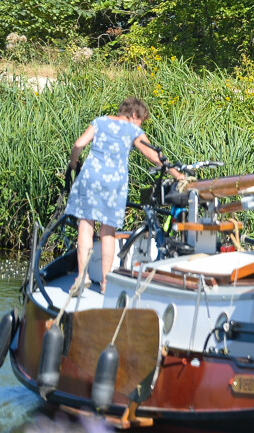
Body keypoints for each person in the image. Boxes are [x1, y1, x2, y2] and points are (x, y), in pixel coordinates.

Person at [65, 97, 180, 295]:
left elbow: (79, 144)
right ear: (134, 115)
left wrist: (74, 163)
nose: (140, 124)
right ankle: (105, 283)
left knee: (86, 227)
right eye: (141, 120)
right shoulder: (133, 130)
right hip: (114, 184)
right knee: (107, 232)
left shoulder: (99, 122)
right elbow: (153, 155)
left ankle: (82, 277)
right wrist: (177, 174)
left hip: (90, 178)